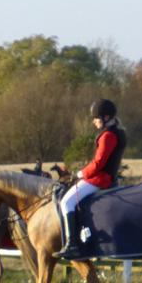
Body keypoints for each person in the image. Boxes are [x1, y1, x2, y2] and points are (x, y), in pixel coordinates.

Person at [57, 98, 127, 258]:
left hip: (100, 179)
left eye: (96, 118)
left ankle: (72, 244)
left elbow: (99, 163)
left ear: (106, 118)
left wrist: (81, 173)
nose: (94, 121)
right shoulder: (118, 132)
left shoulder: (108, 136)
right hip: (105, 178)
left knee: (66, 202)